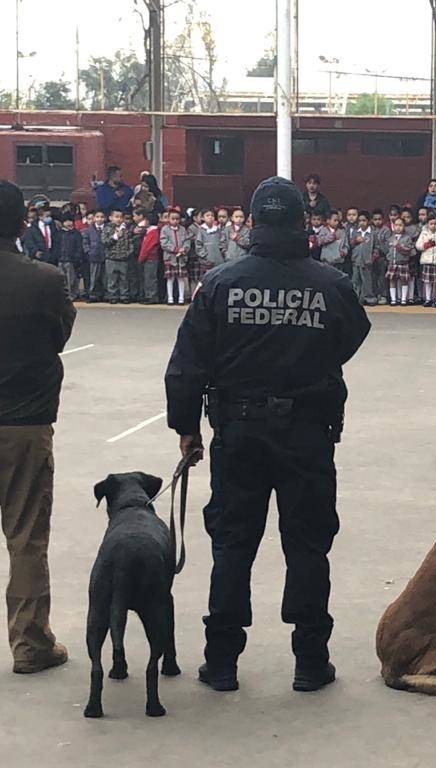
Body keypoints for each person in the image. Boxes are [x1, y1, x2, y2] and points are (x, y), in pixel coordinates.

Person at [164, 176, 370, 693]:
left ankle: (223, 661)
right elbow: (353, 335)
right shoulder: (330, 284)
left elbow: (186, 368)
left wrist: (187, 430)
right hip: (307, 431)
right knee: (307, 545)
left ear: (252, 222)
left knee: (233, 544)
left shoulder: (219, 284)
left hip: (240, 429)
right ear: (303, 222)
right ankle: (309, 660)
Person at [0, 179, 76, 674]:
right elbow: (57, 337)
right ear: (21, 224)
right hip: (24, 423)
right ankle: (30, 645)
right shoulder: (44, 280)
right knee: (27, 539)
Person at [160, 207, 194, 305]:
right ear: (168, 219)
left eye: (177, 219)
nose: (175, 221)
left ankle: (181, 298)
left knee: (181, 278)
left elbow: (187, 240)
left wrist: (184, 249)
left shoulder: (183, 229)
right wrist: (175, 249)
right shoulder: (165, 229)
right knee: (170, 278)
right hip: (170, 258)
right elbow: (164, 243)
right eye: (172, 219)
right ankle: (170, 298)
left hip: (181, 258)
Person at [102, 209, 135, 304]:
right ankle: (112, 295)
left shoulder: (125, 230)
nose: (119, 219)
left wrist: (128, 253)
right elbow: (105, 241)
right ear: (111, 218)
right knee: (112, 279)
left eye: (121, 217)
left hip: (123, 258)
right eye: (116, 217)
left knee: (124, 279)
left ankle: (124, 295)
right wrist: (115, 237)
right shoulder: (107, 229)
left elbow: (130, 243)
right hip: (111, 258)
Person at [385, 216, 415, 306]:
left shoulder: (407, 238)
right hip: (392, 263)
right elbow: (387, 249)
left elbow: (407, 250)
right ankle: (393, 299)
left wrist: (398, 246)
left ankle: (403, 299)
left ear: (404, 226)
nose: (398, 227)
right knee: (392, 280)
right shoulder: (391, 237)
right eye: (396, 225)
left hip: (403, 262)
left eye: (400, 225)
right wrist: (388, 257)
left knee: (404, 280)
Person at [416, 214, 436, 308]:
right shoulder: (424, 233)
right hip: (427, 260)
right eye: (431, 224)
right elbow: (418, 245)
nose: (433, 226)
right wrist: (426, 244)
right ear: (428, 224)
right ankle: (428, 299)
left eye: (435, 224)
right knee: (427, 281)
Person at [349, 210, 377, 307]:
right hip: (356, 260)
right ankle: (356, 298)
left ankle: (368, 298)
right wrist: (356, 241)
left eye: (364, 220)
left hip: (367, 261)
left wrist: (372, 258)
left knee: (367, 280)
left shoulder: (373, 233)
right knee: (356, 280)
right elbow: (350, 245)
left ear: (369, 221)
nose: (361, 223)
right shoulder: (355, 233)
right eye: (360, 221)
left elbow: (376, 248)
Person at [137, 211, 163, 304]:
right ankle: (149, 295)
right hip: (150, 258)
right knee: (149, 277)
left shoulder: (153, 232)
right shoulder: (152, 231)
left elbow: (147, 247)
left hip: (150, 258)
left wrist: (141, 258)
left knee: (150, 278)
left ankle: (151, 296)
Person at [57, 214, 84, 300]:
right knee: (62, 279)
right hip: (61, 259)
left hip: (71, 260)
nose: (68, 223)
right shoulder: (59, 234)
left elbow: (79, 247)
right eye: (65, 221)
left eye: (70, 221)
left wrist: (77, 257)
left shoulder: (76, 234)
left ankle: (71, 294)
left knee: (71, 279)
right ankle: (63, 294)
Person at [82, 210, 106, 302]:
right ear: (94, 218)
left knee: (104, 277)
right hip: (93, 256)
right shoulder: (89, 230)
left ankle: (103, 294)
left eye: (102, 217)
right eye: (98, 217)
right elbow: (85, 242)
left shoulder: (107, 229)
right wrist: (89, 252)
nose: (100, 219)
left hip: (104, 256)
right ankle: (92, 294)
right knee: (94, 277)